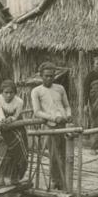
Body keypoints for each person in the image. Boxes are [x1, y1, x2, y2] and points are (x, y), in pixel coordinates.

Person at [31, 62, 72, 190]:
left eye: (52, 76)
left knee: (65, 153)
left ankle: (65, 179)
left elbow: (66, 105)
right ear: (41, 76)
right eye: (46, 76)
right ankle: (55, 180)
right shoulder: (36, 91)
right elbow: (37, 111)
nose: (49, 78)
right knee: (53, 154)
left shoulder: (60, 88)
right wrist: (54, 118)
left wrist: (68, 115)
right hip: (50, 126)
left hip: (63, 124)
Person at [0, 80, 28, 188]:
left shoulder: (19, 102)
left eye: (11, 92)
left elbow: (16, 116)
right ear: (2, 92)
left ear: (15, 92)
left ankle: (14, 177)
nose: (8, 95)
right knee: (0, 149)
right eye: (6, 92)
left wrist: (11, 119)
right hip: (1, 125)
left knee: (16, 150)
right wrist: (3, 120)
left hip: (15, 126)